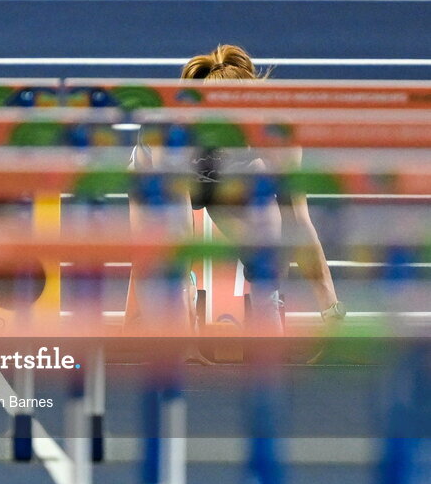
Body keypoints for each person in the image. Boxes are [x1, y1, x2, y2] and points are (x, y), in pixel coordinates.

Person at [126, 43, 345, 336]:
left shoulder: (278, 134)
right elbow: (178, 234)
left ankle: (267, 305)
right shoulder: (171, 135)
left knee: (269, 241)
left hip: (226, 179)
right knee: (160, 269)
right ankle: (176, 305)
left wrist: (331, 310)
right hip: (156, 177)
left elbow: (298, 221)